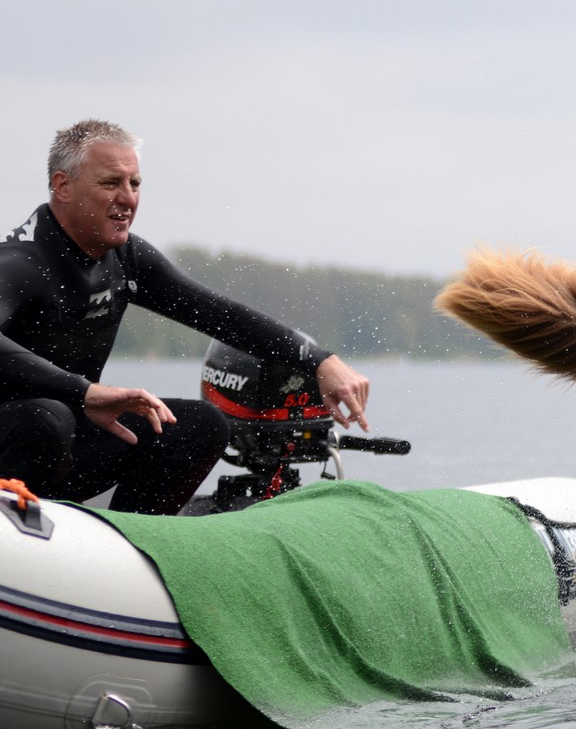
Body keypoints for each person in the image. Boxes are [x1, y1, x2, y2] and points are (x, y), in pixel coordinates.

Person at [0, 119, 371, 514]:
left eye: (135, 184)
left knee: (199, 425)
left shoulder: (126, 260)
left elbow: (221, 315)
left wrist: (320, 360)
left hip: (70, 442)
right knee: (47, 418)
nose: (128, 198)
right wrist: (85, 391)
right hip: (23, 438)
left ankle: (133, 550)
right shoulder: (20, 262)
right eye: (111, 183)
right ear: (62, 186)